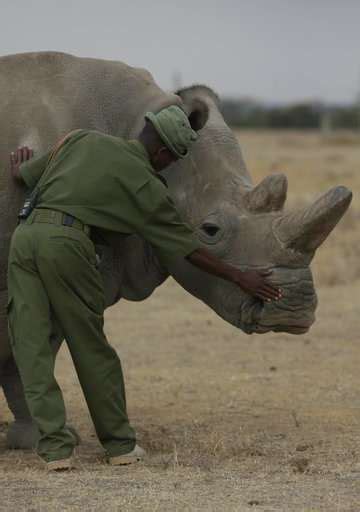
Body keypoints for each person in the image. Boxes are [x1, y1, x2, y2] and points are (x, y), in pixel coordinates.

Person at [7, 105, 281, 471]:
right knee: (89, 345)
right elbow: (188, 248)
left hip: (24, 241)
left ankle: (55, 449)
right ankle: (119, 445)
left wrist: (19, 166)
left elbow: (26, 175)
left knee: (30, 344)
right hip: (67, 244)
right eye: (172, 160)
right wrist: (238, 276)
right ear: (163, 153)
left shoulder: (81, 140)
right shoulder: (146, 184)